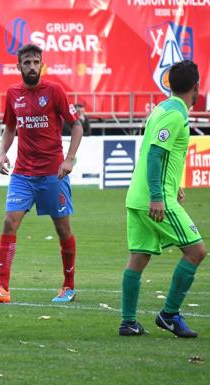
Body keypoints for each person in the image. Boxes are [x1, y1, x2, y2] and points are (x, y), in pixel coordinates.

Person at [0, 43, 82, 304]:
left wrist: (69, 159)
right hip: (23, 174)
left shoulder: (54, 91)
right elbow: (10, 128)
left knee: (62, 229)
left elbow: (77, 126)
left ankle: (68, 286)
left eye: (36, 62)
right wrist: (2, 153)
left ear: (42, 64)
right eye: (27, 62)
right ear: (19, 66)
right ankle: (2, 287)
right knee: (8, 222)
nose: (32, 67)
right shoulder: (13, 93)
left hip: (53, 174)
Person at [118, 60, 206, 338]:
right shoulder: (175, 114)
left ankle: (128, 322)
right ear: (196, 87)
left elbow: (158, 153)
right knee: (196, 251)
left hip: (138, 196)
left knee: (139, 258)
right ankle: (169, 314)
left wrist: (174, 183)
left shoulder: (161, 108)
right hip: (155, 199)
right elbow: (156, 152)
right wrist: (159, 195)